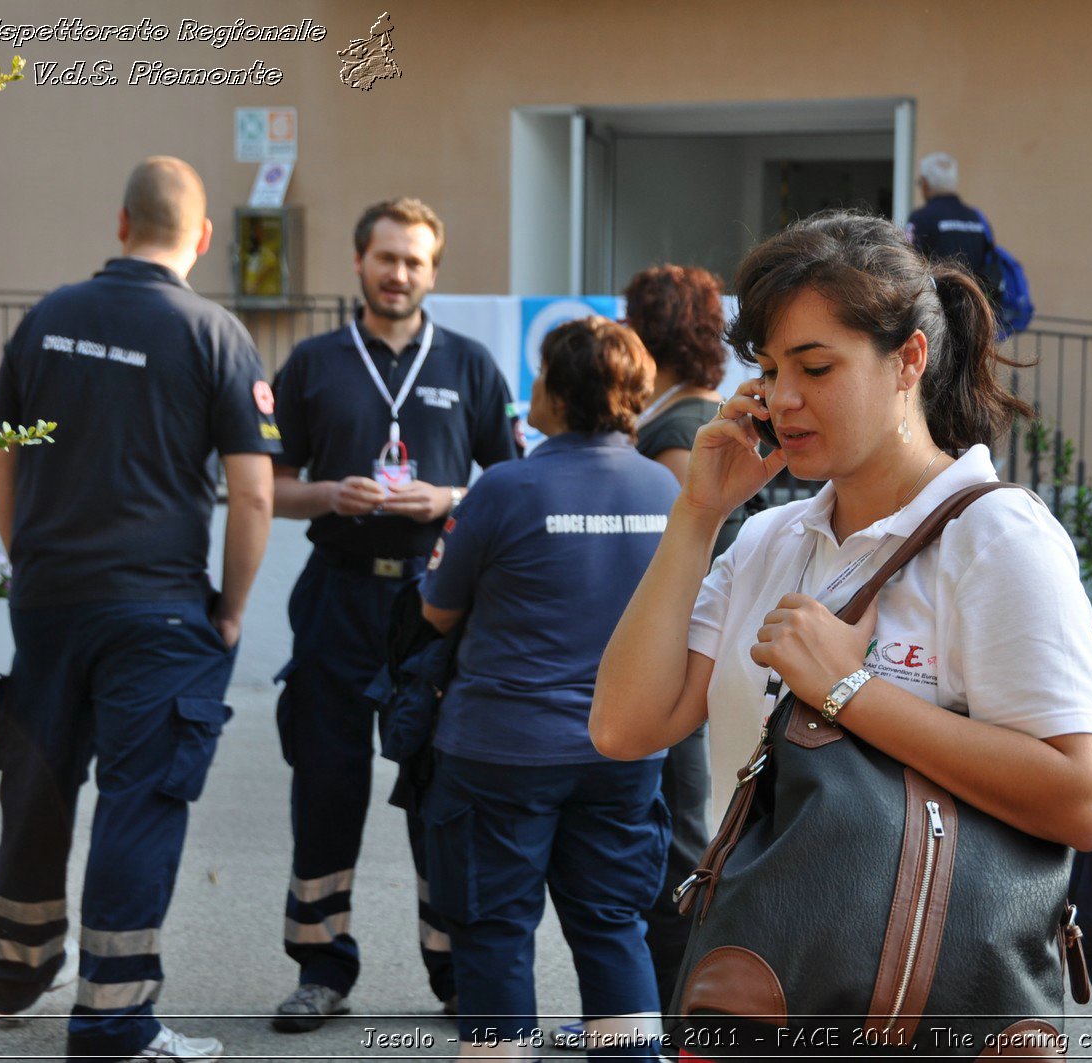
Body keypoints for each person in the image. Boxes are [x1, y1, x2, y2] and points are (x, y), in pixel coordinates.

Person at [590, 211, 1092, 1050]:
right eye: (767, 368)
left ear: (908, 358)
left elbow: (1085, 799)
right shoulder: (769, 537)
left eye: (816, 365)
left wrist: (848, 689)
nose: (783, 397)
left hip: (915, 1004)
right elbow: (624, 725)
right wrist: (698, 516)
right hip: (756, 983)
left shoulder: (997, 536)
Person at [0, 156, 277, 1061]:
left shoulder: (46, 320)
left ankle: (22, 959)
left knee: (36, 779)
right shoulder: (216, 334)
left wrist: (30, 552)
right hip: (156, 609)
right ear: (201, 237)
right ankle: (113, 1022)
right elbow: (254, 494)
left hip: (50, 596)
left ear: (120, 226)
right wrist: (230, 610)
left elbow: (1, 454)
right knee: (138, 800)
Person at [268, 197, 519, 1031]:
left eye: (414, 261)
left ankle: (453, 970)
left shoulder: (472, 364)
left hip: (437, 603)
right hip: (338, 593)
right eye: (386, 258)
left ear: (433, 272)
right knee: (326, 783)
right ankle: (321, 964)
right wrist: (324, 494)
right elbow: (270, 486)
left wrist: (448, 497)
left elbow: (508, 485)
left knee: (439, 789)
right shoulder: (312, 363)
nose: (399, 273)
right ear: (359, 262)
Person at [418, 317, 679, 1060]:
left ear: (560, 393)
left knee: (495, 930)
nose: (531, 388)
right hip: (623, 748)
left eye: (539, 375)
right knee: (611, 923)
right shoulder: (665, 488)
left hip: (502, 747)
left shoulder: (502, 488)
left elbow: (437, 610)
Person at [621, 264, 745, 1008]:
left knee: (673, 847)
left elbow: (681, 556)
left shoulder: (681, 426)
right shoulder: (688, 412)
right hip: (684, 653)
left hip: (682, 656)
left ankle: (674, 1015)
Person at [905, 152, 993, 277]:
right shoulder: (977, 218)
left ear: (925, 183)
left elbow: (907, 260)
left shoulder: (921, 218)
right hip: (975, 294)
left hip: (938, 294)